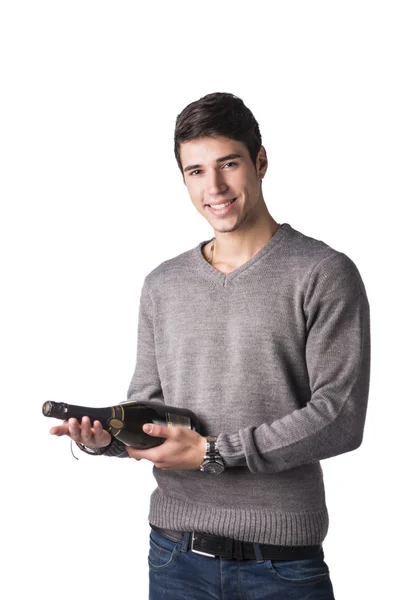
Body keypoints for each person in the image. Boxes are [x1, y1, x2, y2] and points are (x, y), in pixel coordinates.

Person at [49, 92, 370, 600]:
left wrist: (215, 453)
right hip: (176, 555)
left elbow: (339, 417)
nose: (214, 187)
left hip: (281, 564)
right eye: (195, 171)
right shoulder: (163, 283)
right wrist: (106, 438)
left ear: (260, 162)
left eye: (228, 164)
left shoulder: (323, 273)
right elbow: (153, 411)